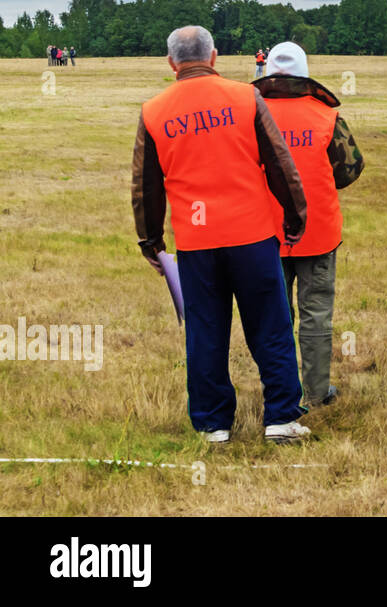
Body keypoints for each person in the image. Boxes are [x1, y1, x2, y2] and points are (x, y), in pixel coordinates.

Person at [131, 25, 312, 443]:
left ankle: (213, 425)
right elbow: (280, 162)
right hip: (252, 235)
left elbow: (146, 186)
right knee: (270, 325)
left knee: (206, 331)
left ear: (171, 63)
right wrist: (295, 214)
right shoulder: (246, 97)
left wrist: (151, 242)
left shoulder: (153, 111)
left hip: (196, 243)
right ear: (214, 57)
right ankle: (282, 417)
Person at [254, 42, 364, 406]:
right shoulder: (326, 116)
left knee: (275, 316)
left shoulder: (251, 114)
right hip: (317, 232)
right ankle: (317, 393)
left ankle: (282, 394)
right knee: (316, 314)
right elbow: (349, 170)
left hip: (264, 233)